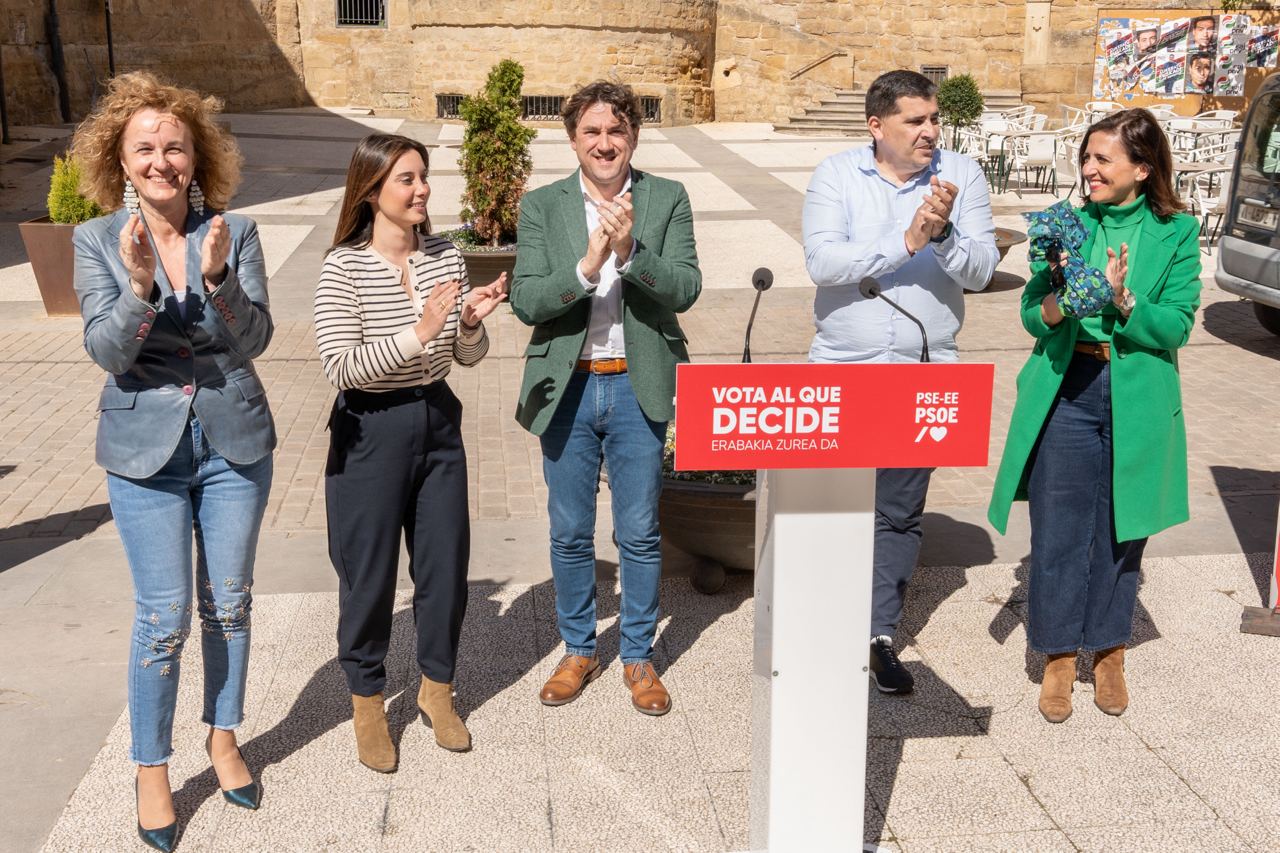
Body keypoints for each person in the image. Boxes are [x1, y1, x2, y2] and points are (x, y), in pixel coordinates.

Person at [69, 71, 275, 852]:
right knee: (163, 619)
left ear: (199, 156)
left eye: (176, 146)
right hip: (143, 451)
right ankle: (151, 766)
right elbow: (107, 349)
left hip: (234, 443)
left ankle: (223, 737)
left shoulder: (235, 232)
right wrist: (143, 286)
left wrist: (217, 278)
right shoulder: (96, 241)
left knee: (231, 602)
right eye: (145, 147)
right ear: (120, 161)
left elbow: (255, 341)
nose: (162, 160)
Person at [988, 109, 1201, 723]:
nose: (1088, 169)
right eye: (1086, 157)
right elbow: (1032, 311)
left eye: (1103, 159)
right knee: (1057, 527)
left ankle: (1109, 650)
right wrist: (1056, 308)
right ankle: (1057, 654)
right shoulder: (1068, 224)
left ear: (1142, 167)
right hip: (1069, 385)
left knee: (1121, 525)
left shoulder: (1177, 233)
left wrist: (1125, 302)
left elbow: (1179, 325)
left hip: (1137, 389)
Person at [315, 134, 508, 769]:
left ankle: (436, 689)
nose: (422, 189)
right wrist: (418, 330)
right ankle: (368, 702)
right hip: (369, 432)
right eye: (407, 179)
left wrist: (470, 324)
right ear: (372, 192)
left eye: (424, 177)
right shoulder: (343, 266)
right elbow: (341, 368)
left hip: (437, 422)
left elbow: (462, 357)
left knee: (445, 566)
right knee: (368, 578)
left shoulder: (446, 257)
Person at [802, 69, 998, 695]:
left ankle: (877, 633)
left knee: (897, 511)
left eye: (934, 119)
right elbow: (823, 262)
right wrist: (904, 238)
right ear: (876, 126)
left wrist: (939, 239)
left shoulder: (962, 176)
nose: (930, 131)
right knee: (828, 505)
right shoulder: (837, 174)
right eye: (915, 121)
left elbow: (983, 271)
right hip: (841, 370)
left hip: (926, 373)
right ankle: (821, 625)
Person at [510, 81, 701, 716]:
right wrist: (588, 267)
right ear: (572, 140)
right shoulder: (543, 207)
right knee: (569, 532)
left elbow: (686, 288)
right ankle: (577, 648)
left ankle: (639, 656)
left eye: (616, 131)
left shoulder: (666, 199)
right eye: (591, 132)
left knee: (641, 530)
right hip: (567, 386)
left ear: (634, 137)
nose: (604, 143)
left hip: (635, 382)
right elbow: (527, 301)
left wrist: (631, 252)